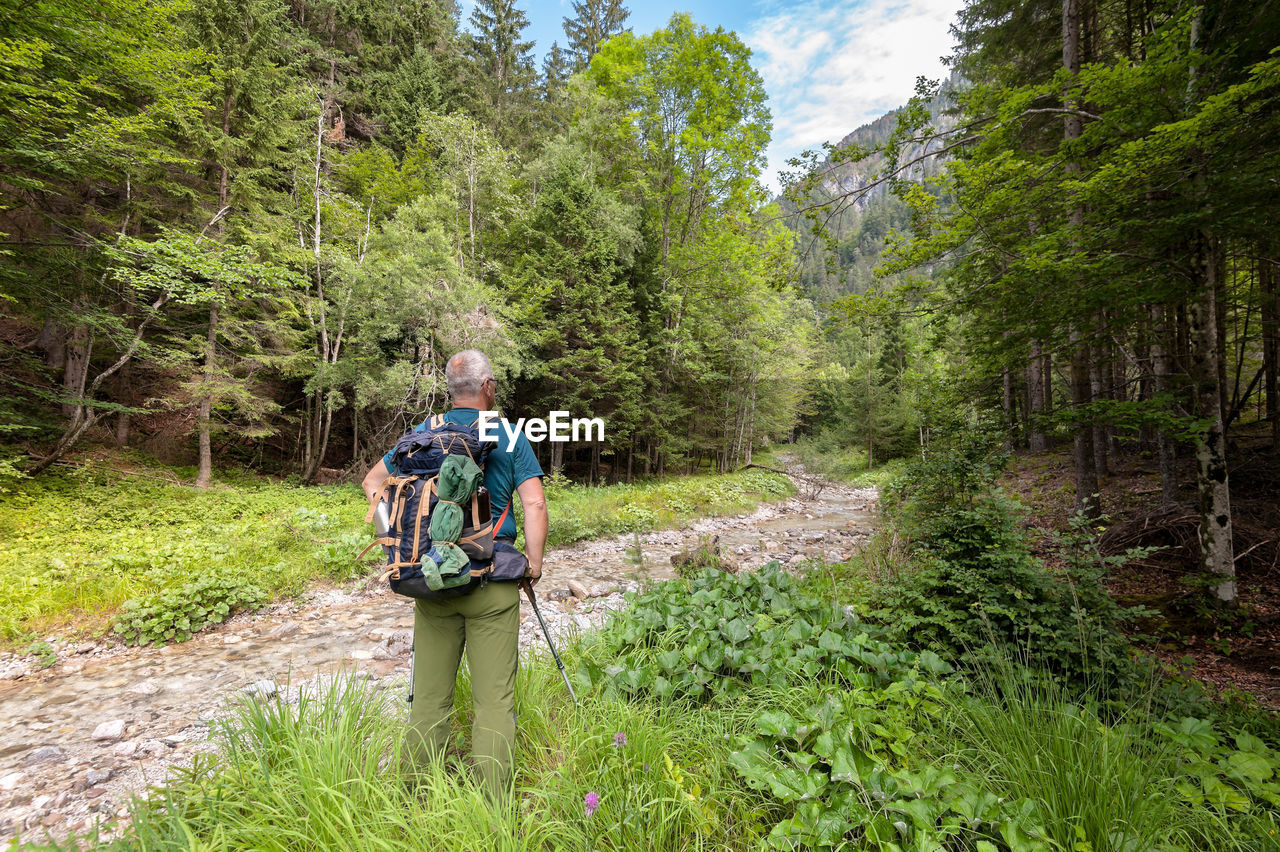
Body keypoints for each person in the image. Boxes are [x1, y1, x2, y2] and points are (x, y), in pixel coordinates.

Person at [361, 349, 547, 799]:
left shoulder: (423, 433)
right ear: (488, 387)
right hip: (492, 582)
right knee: (494, 704)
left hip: (431, 580)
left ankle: (412, 799)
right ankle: (493, 808)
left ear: (450, 390)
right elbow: (535, 504)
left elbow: (372, 482)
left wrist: (399, 541)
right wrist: (533, 566)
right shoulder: (507, 435)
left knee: (428, 700)